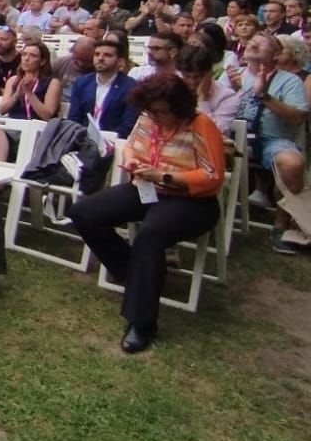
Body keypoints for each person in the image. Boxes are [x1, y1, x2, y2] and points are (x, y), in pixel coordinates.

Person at [65, 75, 225, 354]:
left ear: (179, 107)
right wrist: (131, 161)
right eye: (151, 112)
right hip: (146, 188)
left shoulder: (201, 125)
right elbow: (132, 145)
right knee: (84, 212)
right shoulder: (148, 118)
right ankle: (135, 273)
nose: (155, 117)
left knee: (150, 234)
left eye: (161, 112)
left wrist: (164, 176)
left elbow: (213, 177)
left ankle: (141, 323)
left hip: (191, 200)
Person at [235, 35, 311, 254]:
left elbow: (297, 118)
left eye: (262, 43)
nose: (253, 43)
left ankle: (281, 226)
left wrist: (264, 96)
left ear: (276, 55)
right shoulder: (233, 74)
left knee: (292, 164)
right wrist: (233, 91)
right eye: (252, 41)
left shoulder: (290, 81)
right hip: (231, 138)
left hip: (271, 140)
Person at [0, 41, 61, 162]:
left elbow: (47, 115)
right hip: (14, 127)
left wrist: (29, 93)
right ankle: (0, 170)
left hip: (36, 130)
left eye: (32, 55)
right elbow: (2, 110)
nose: (26, 58)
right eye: (24, 54)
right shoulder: (13, 80)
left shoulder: (52, 83)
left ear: (42, 61)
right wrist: (17, 95)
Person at [66, 33, 138, 138]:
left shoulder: (131, 87)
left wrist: (104, 139)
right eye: (97, 54)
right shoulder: (81, 83)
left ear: (120, 61)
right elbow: (74, 118)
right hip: (82, 140)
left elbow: (128, 125)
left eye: (107, 55)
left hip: (113, 142)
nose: (100, 58)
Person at [176, 45, 240, 132]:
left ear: (209, 73)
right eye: (187, 76)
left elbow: (215, 132)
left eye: (198, 77)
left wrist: (202, 99)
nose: (192, 82)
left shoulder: (228, 97)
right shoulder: (175, 89)